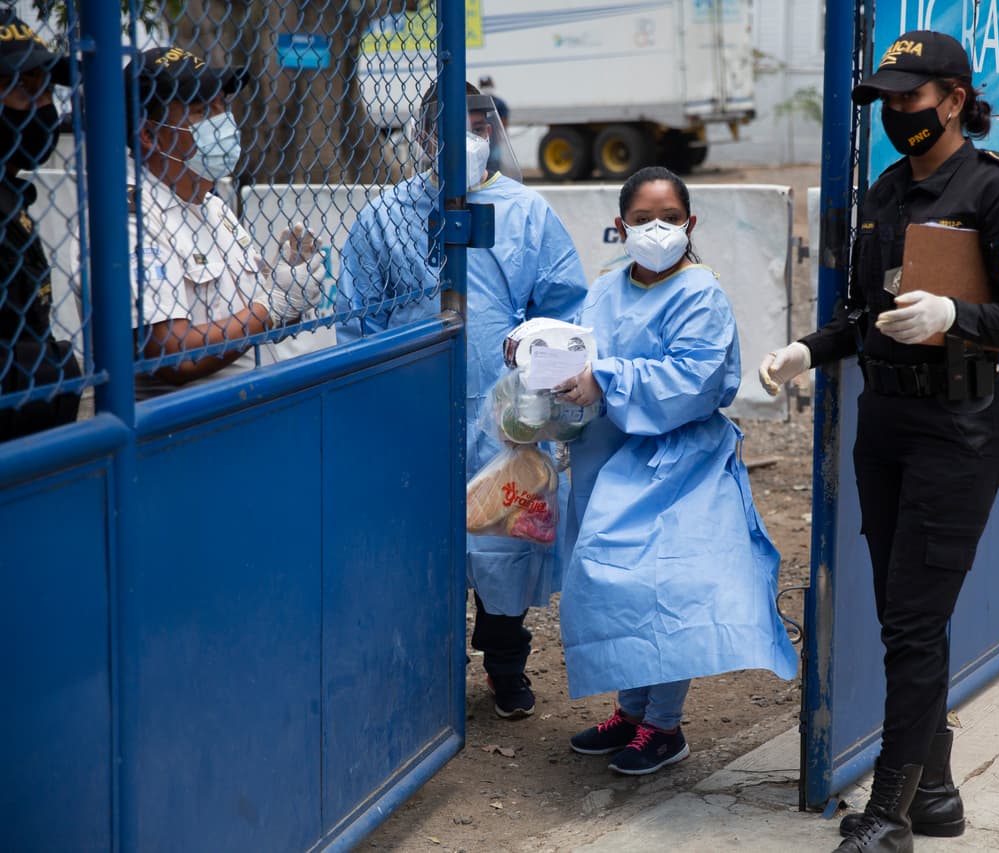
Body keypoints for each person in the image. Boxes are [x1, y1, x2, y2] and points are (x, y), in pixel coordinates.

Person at [759, 31, 999, 852]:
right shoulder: (887, 193)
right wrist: (807, 350)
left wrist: (957, 316)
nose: (895, 112)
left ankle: (889, 813)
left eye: (910, 98)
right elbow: (864, 314)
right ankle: (938, 793)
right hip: (885, 426)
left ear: (954, 100)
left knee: (914, 623)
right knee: (905, 614)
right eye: (885, 99)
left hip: (959, 431)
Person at [337, 82, 587, 719]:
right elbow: (355, 318)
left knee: (506, 538)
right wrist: (377, 407)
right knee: (419, 543)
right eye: (455, 125)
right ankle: (429, 669)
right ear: (422, 136)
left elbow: (561, 309)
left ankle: (505, 664)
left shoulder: (526, 213)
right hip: (411, 409)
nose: (472, 136)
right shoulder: (385, 215)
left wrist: (543, 398)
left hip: (505, 412)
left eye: (482, 123)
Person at [554, 166, 798, 776]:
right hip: (612, 456)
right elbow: (583, 350)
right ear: (620, 227)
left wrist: (604, 379)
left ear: (690, 224)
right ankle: (631, 711)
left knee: (666, 588)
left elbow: (691, 381)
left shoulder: (700, 294)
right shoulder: (608, 287)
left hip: (678, 460)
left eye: (669, 218)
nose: (656, 229)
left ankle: (665, 725)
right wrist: (541, 358)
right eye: (642, 220)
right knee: (618, 582)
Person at [121, 46, 324, 398]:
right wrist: (272, 308)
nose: (222, 123)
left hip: (255, 414)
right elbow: (173, 356)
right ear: (149, 135)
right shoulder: (130, 221)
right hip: (189, 433)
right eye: (202, 112)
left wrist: (289, 294)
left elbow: (249, 322)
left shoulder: (213, 207)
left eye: (222, 108)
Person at [0, 7, 81, 440]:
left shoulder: (12, 195)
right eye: (22, 88)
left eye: (46, 88)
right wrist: (63, 370)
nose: (43, 106)